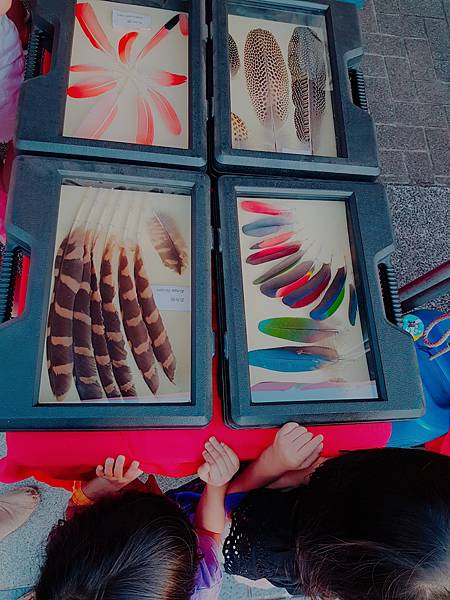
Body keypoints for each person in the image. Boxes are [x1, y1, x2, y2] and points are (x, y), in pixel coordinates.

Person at [223, 429, 450, 600]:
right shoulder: (365, 573)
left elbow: (230, 506)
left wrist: (272, 464)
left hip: (254, 545)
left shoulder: (263, 539)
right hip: (300, 552)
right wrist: (300, 476)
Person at [34, 438, 241, 600]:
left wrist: (97, 489)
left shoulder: (76, 548)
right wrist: (217, 484)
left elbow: (77, 509)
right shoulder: (204, 587)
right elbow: (209, 533)